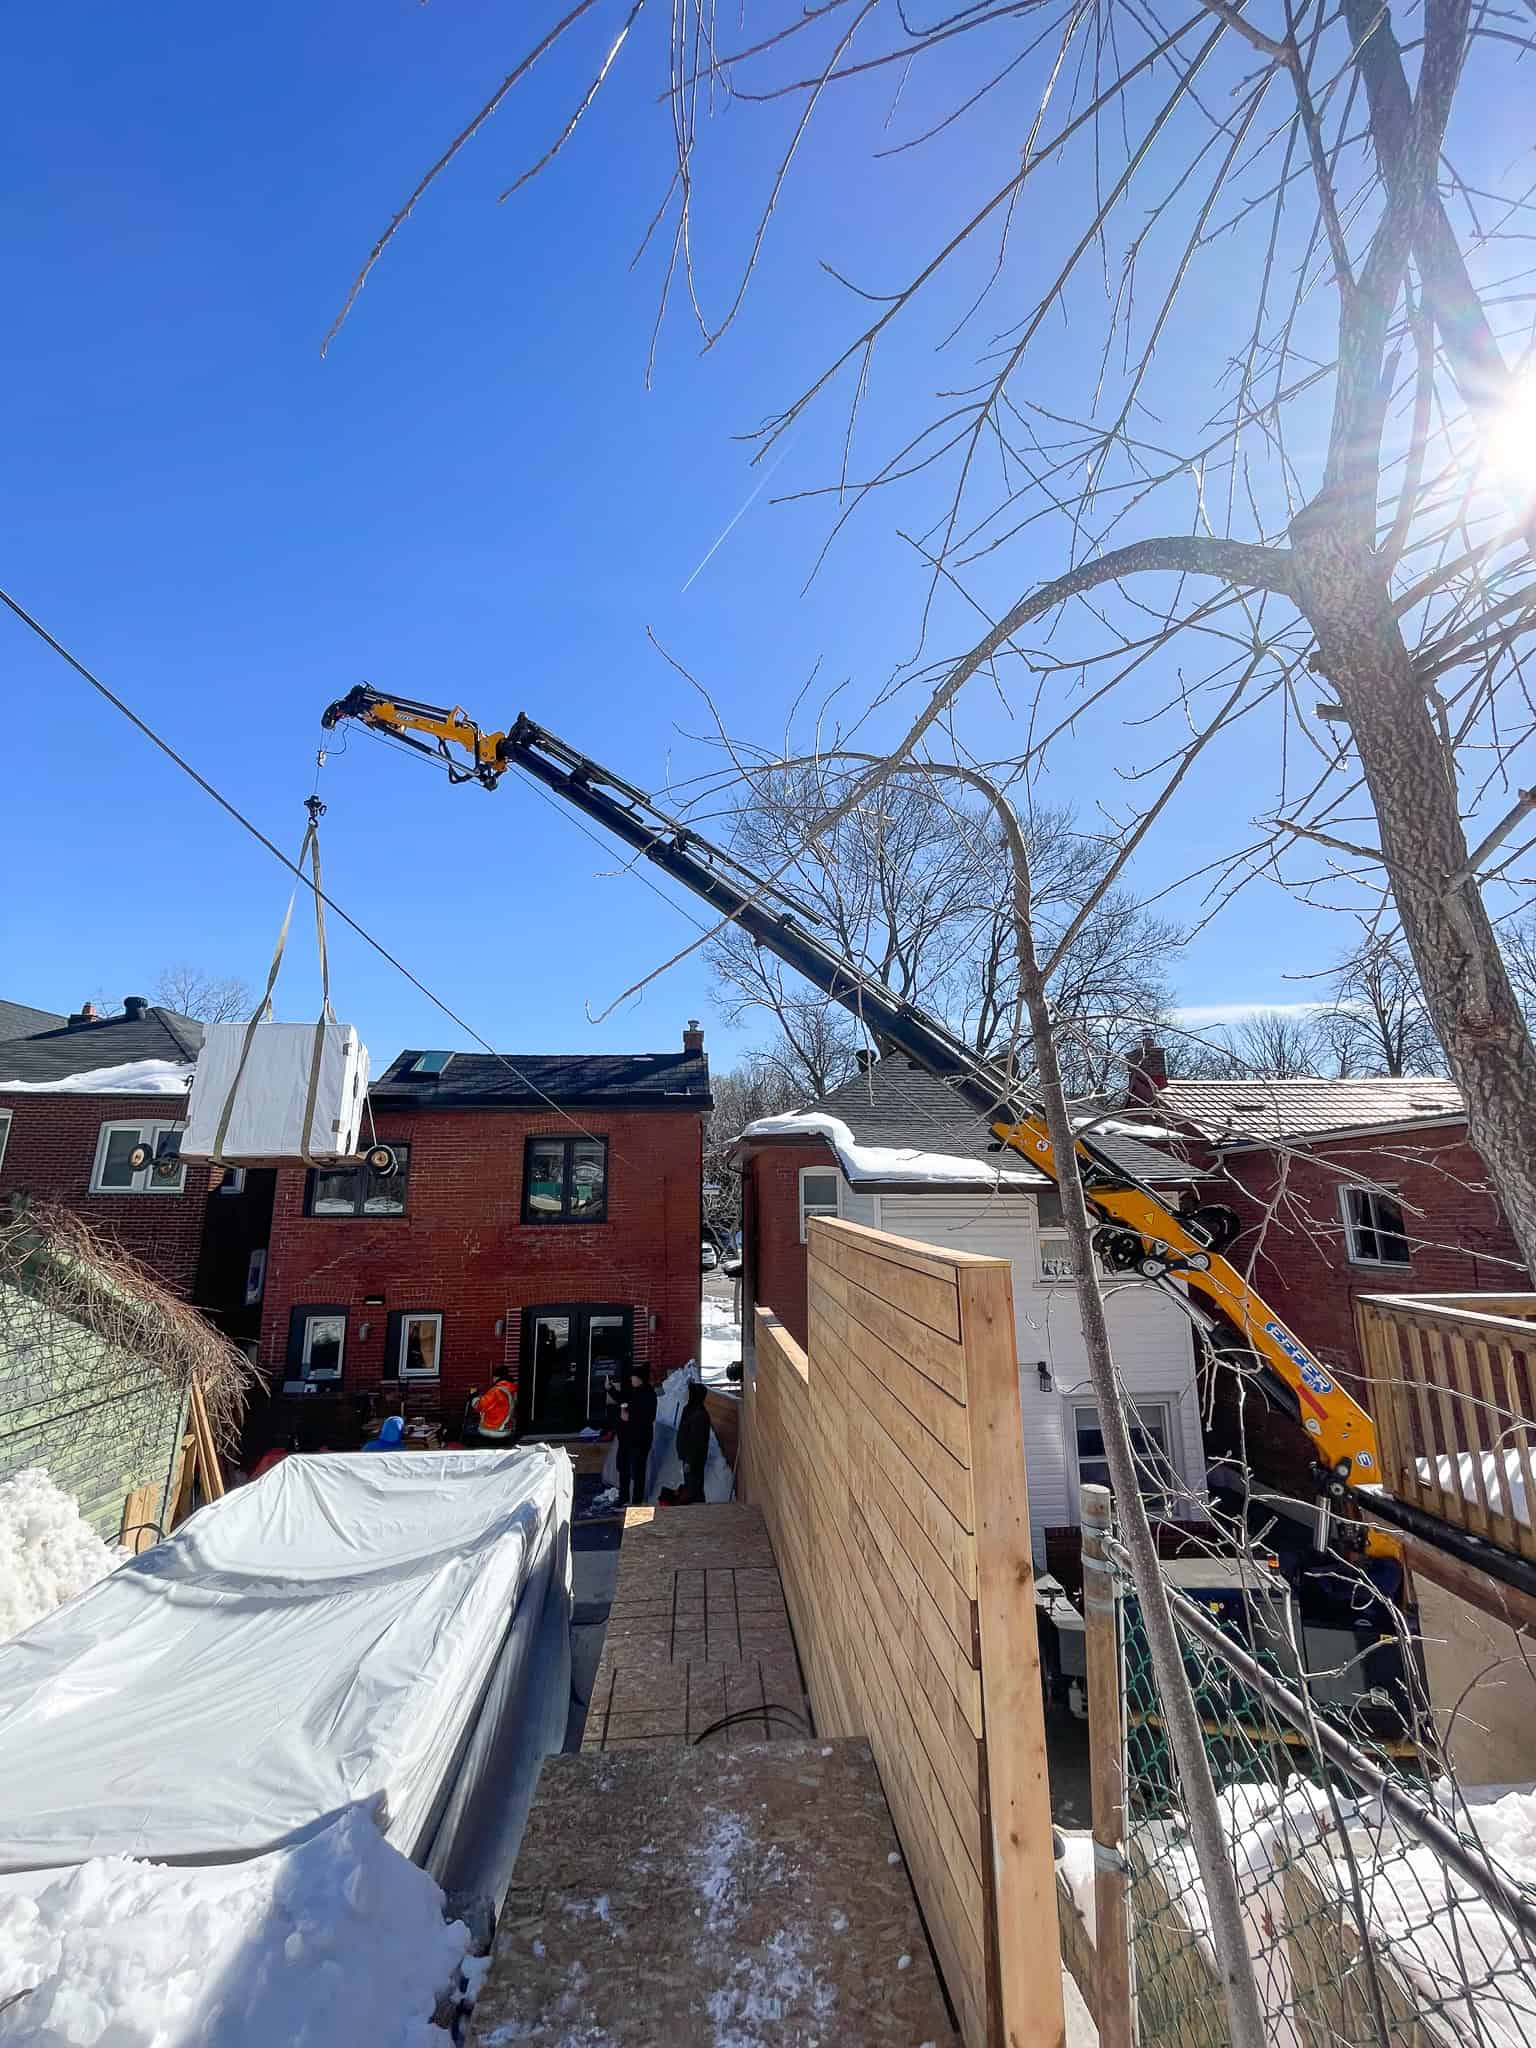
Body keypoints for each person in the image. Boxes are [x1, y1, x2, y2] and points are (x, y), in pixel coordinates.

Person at [612, 1364, 656, 1507]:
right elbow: (622, 1399)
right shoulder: (634, 1391)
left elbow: (648, 1416)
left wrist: (629, 1417)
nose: (631, 1378)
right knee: (623, 1467)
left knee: (638, 1471)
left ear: (640, 1378)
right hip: (626, 1438)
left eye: (634, 1376)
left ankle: (636, 1500)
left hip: (640, 1439)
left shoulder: (648, 1394)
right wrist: (610, 1389)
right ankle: (623, 1497)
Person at [676, 1381, 711, 1503]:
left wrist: (689, 1461)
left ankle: (698, 1512)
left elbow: (697, 1442)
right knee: (690, 1488)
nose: (686, 1394)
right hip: (687, 1457)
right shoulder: (689, 1409)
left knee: (694, 1489)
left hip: (694, 1460)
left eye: (689, 1392)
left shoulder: (699, 1415)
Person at [471, 1377, 517, 1443]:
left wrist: (474, 1397)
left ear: (496, 1377)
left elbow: (479, 1406)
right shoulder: (512, 1390)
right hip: (506, 1428)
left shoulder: (496, 1391)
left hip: (492, 1430)